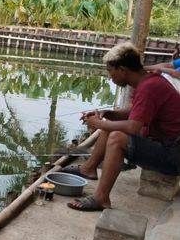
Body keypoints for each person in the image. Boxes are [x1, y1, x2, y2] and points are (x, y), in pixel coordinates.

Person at [65, 42, 180, 211]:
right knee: (110, 126)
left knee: (117, 138)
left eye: (111, 72)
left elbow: (133, 127)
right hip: (168, 146)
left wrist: (99, 123)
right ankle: (88, 169)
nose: (110, 77)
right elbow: (133, 112)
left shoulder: (149, 87)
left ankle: (101, 198)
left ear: (123, 70)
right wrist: (107, 114)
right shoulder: (147, 82)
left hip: (174, 153)